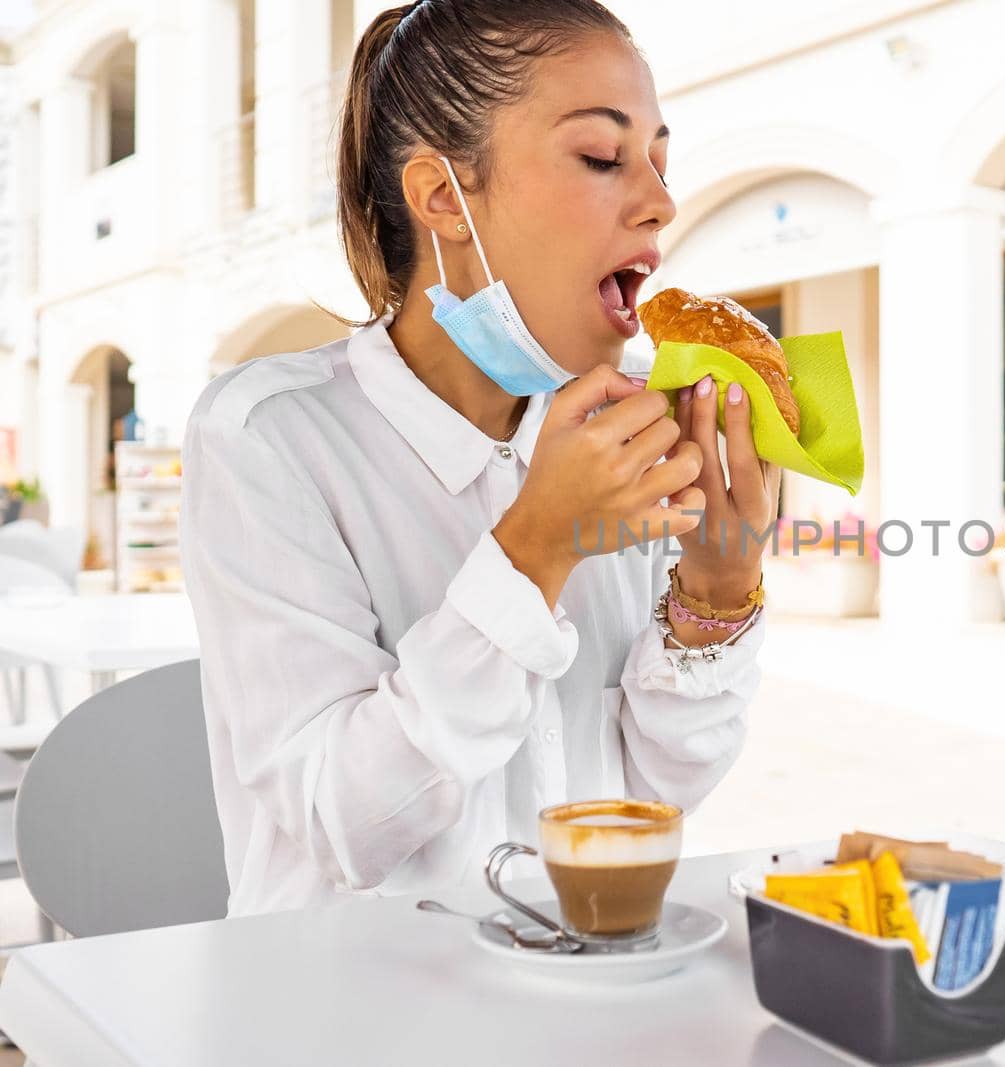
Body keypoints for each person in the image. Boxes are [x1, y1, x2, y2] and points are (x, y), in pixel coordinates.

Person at [180, 0, 777, 916]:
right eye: (601, 156)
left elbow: (657, 796)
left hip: (580, 990)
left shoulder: (632, 429)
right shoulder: (270, 436)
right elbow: (343, 821)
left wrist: (716, 586)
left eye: (659, 158)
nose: (659, 199)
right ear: (440, 199)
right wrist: (536, 548)